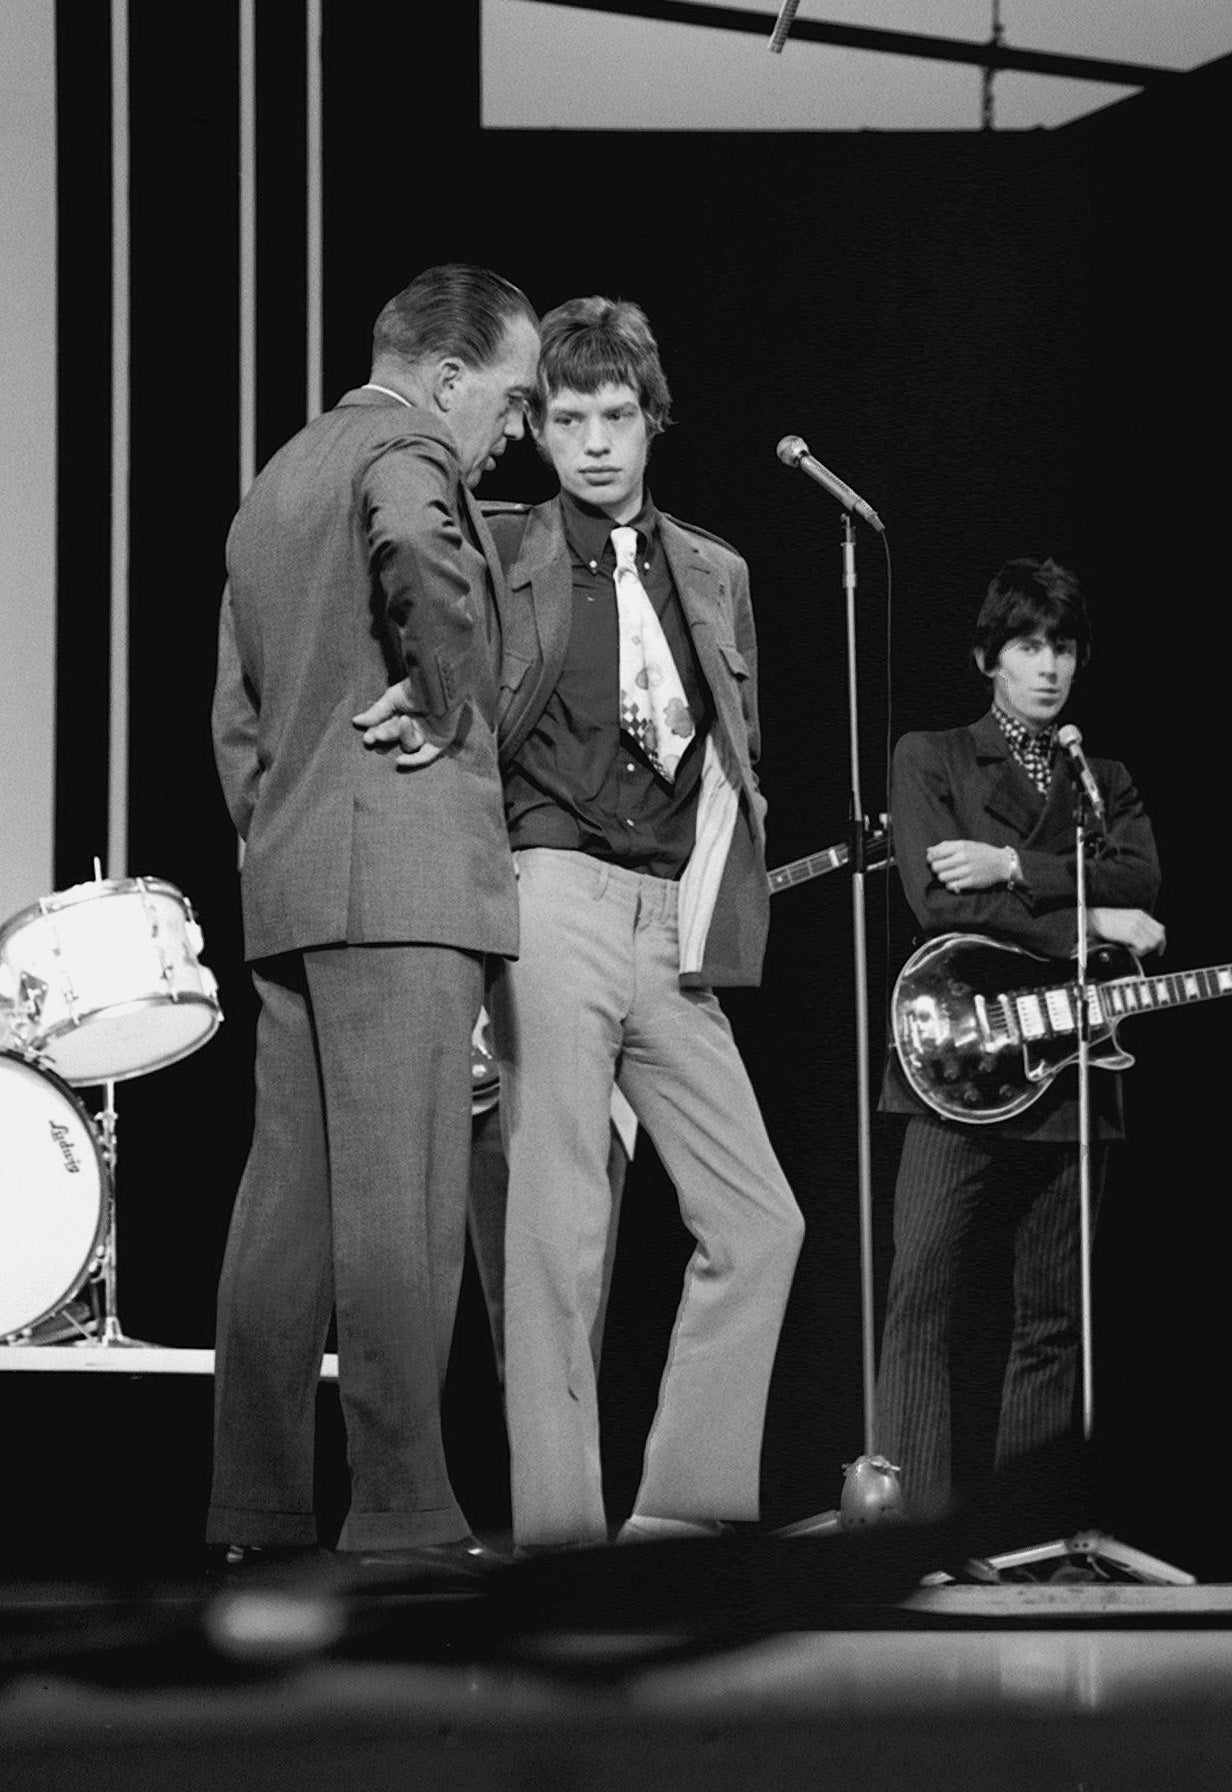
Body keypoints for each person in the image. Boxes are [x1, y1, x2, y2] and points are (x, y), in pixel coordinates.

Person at [207, 262, 539, 1577]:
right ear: (449, 378)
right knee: (403, 1198)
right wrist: (447, 689)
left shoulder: (278, 478)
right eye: (510, 403)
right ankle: (402, 1513)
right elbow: (413, 541)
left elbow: (234, 712)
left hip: (295, 878)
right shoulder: (406, 448)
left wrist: (281, 826)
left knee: (289, 1202)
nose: (512, 432)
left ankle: (255, 1508)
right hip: (395, 878)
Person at [482, 296, 805, 1551]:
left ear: (651, 419)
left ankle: (677, 1518)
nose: (597, 443)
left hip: (672, 918)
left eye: (618, 416)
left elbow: (739, 750)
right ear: (543, 430)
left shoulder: (715, 570)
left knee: (759, 1218)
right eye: (569, 420)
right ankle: (563, 1544)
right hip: (551, 893)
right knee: (559, 1233)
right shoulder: (502, 551)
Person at [874, 557, 1164, 1525]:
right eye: (1029, 647)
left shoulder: (1100, 775)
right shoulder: (933, 756)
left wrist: (1010, 862)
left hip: (1075, 1062)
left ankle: (1028, 1529)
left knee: (1054, 1309)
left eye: (1064, 649)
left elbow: (1142, 880)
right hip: (955, 1051)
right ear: (987, 657)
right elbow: (935, 904)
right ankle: (906, 1526)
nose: (1048, 669)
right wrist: (1089, 926)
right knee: (921, 1287)